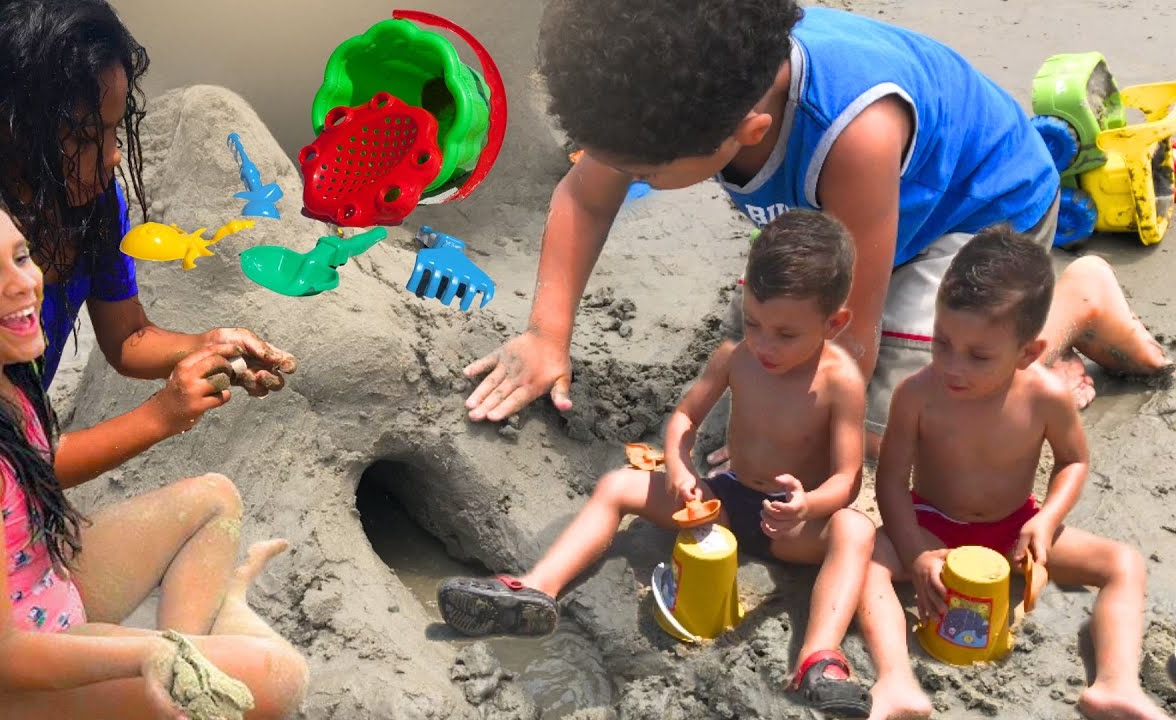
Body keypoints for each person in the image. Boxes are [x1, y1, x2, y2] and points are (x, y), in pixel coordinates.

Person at [462, 0, 1172, 460]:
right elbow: (584, 200)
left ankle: (1076, 297)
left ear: (749, 133)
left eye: (639, 169)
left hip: (980, 216)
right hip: (861, 221)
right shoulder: (682, 82)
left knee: (900, 439)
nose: (609, 172)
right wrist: (545, 336)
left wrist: (788, 438)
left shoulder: (854, 133)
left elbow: (851, 337)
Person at [0, 185, 309, 720]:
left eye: (21, 257)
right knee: (278, 676)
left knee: (214, 500)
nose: (23, 282)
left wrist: (172, 401)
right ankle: (205, 635)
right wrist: (147, 652)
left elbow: (27, 470)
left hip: (42, 594)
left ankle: (187, 665)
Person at [440, 211, 876, 717]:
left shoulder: (840, 381)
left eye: (785, 334)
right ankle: (540, 587)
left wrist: (808, 505)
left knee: (856, 530)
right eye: (754, 323)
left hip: (794, 524)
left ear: (834, 323)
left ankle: (819, 658)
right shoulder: (735, 358)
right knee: (618, 485)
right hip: (728, 504)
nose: (764, 345)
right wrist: (679, 466)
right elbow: (685, 419)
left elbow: (847, 478)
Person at [0, 0, 298, 485]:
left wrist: (207, 345)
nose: (112, 157)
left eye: (114, 128)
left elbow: (127, 337)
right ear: (8, 128)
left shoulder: (93, 205)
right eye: (86, 139)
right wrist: (159, 417)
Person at [856, 226, 1170, 720]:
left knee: (1123, 563)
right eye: (941, 341)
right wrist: (915, 553)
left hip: (1013, 530)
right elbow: (891, 481)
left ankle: (1115, 683)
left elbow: (1073, 461)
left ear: (1027, 352)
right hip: (934, 525)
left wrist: (1045, 520)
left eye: (979, 355)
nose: (952, 365)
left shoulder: (1045, 395)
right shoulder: (917, 394)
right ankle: (896, 679)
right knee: (867, 557)